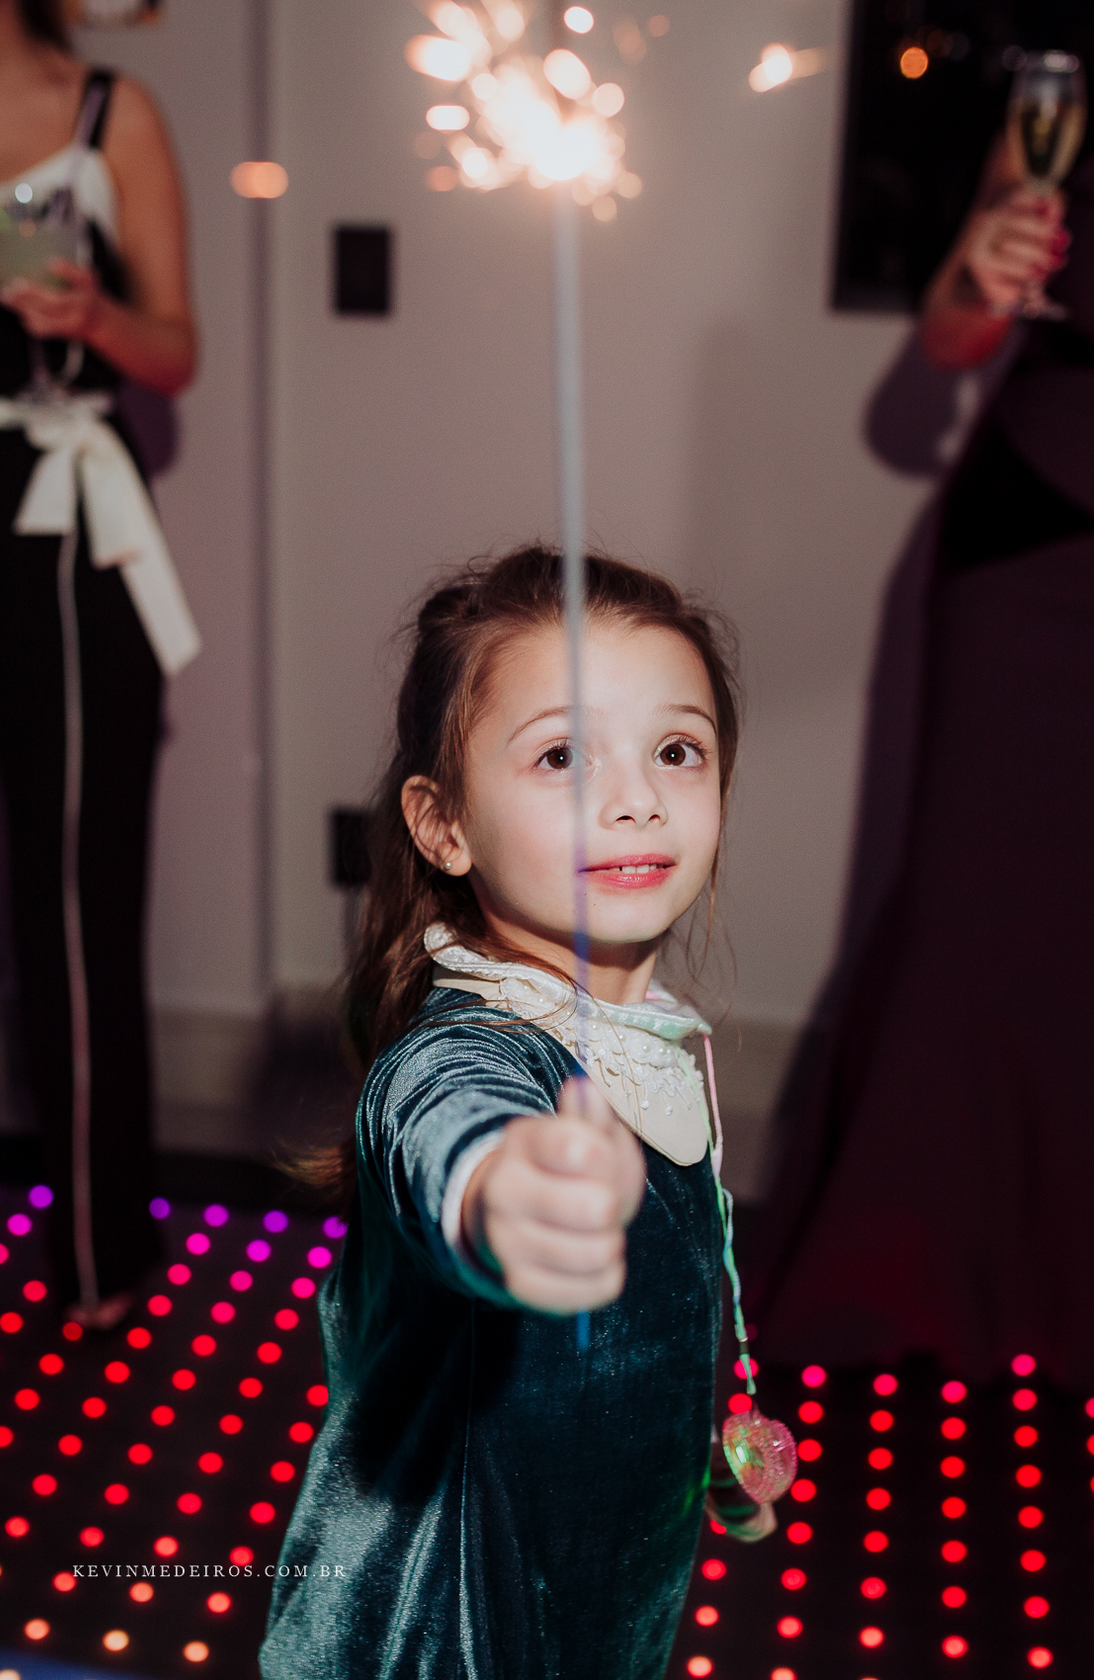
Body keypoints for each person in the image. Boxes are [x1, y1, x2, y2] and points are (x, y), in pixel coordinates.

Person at [745, 5, 1094, 1419]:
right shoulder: (1079, 89)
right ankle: (907, 1289)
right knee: (972, 934)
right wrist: (982, 275)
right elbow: (948, 341)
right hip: (1023, 567)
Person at [260, 548, 773, 1680]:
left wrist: (703, 1451)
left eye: (677, 751)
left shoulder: (652, 1039)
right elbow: (447, 1127)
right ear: (442, 825)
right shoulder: (467, 1053)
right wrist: (502, 1192)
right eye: (560, 755)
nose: (636, 798)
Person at [0, 0, 197, 1329]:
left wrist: (95, 313)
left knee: (71, 896)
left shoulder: (112, 112)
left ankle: (101, 1251)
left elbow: (178, 347)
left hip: (62, 507)